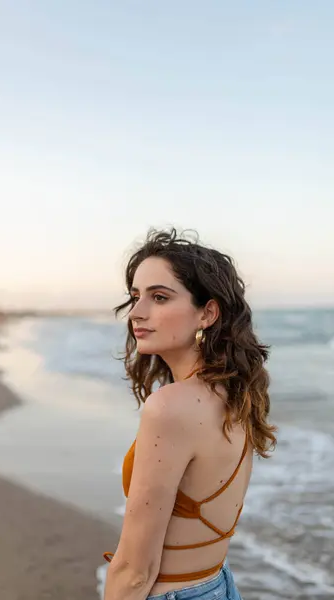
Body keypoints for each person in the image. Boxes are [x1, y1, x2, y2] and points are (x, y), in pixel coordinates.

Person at [103, 227, 277, 600]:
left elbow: (134, 570)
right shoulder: (236, 394)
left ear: (207, 313)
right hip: (217, 585)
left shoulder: (169, 407)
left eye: (160, 297)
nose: (136, 312)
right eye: (135, 297)